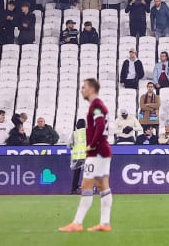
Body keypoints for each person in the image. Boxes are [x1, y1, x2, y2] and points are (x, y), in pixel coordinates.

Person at [59, 79, 113, 232]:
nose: (82, 90)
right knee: (103, 186)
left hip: (97, 151)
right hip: (103, 150)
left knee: (86, 185)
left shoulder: (96, 105)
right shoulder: (98, 105)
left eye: (84, 87)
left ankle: (77, 223)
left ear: (92, 89)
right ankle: (105, 223)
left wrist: (92, 144)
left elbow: (100, 124)